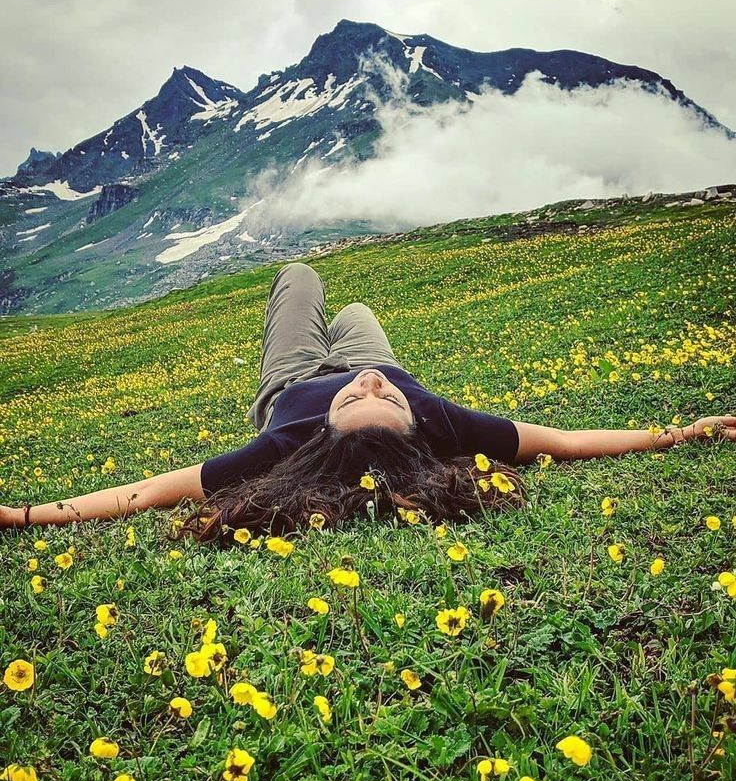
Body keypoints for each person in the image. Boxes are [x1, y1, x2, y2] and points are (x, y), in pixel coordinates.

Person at [1, 262, 733, 541]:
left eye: (358, 399)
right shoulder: (442, 423)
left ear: (328, 427)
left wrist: (27, 515)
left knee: (301, 276)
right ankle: (354, 325)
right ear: (414, 421)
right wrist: (678, 433)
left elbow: (149, 491)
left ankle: (299, 305)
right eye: (386, 398)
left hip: (289, 375)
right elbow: (566, 442)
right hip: (369, 340)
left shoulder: (284, 441)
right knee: (356, 310)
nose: (369, 388)